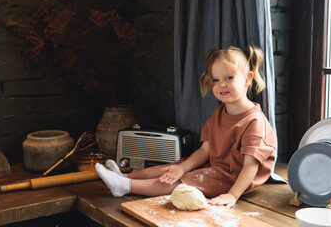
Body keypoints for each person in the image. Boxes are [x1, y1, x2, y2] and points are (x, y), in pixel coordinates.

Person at [95, 45, 276, 207]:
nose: (222, 84)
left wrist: (232, 195)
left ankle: (126, 187)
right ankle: (124, 176)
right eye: (216, 80)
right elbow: (205, 151)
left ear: (247, 79)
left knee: (184, 181)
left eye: (229, 77)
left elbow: (250, 167)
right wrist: (182, 167)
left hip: (235, 178)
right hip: (217, 167)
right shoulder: (218, 114)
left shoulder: (254, 122)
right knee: (175, 167)